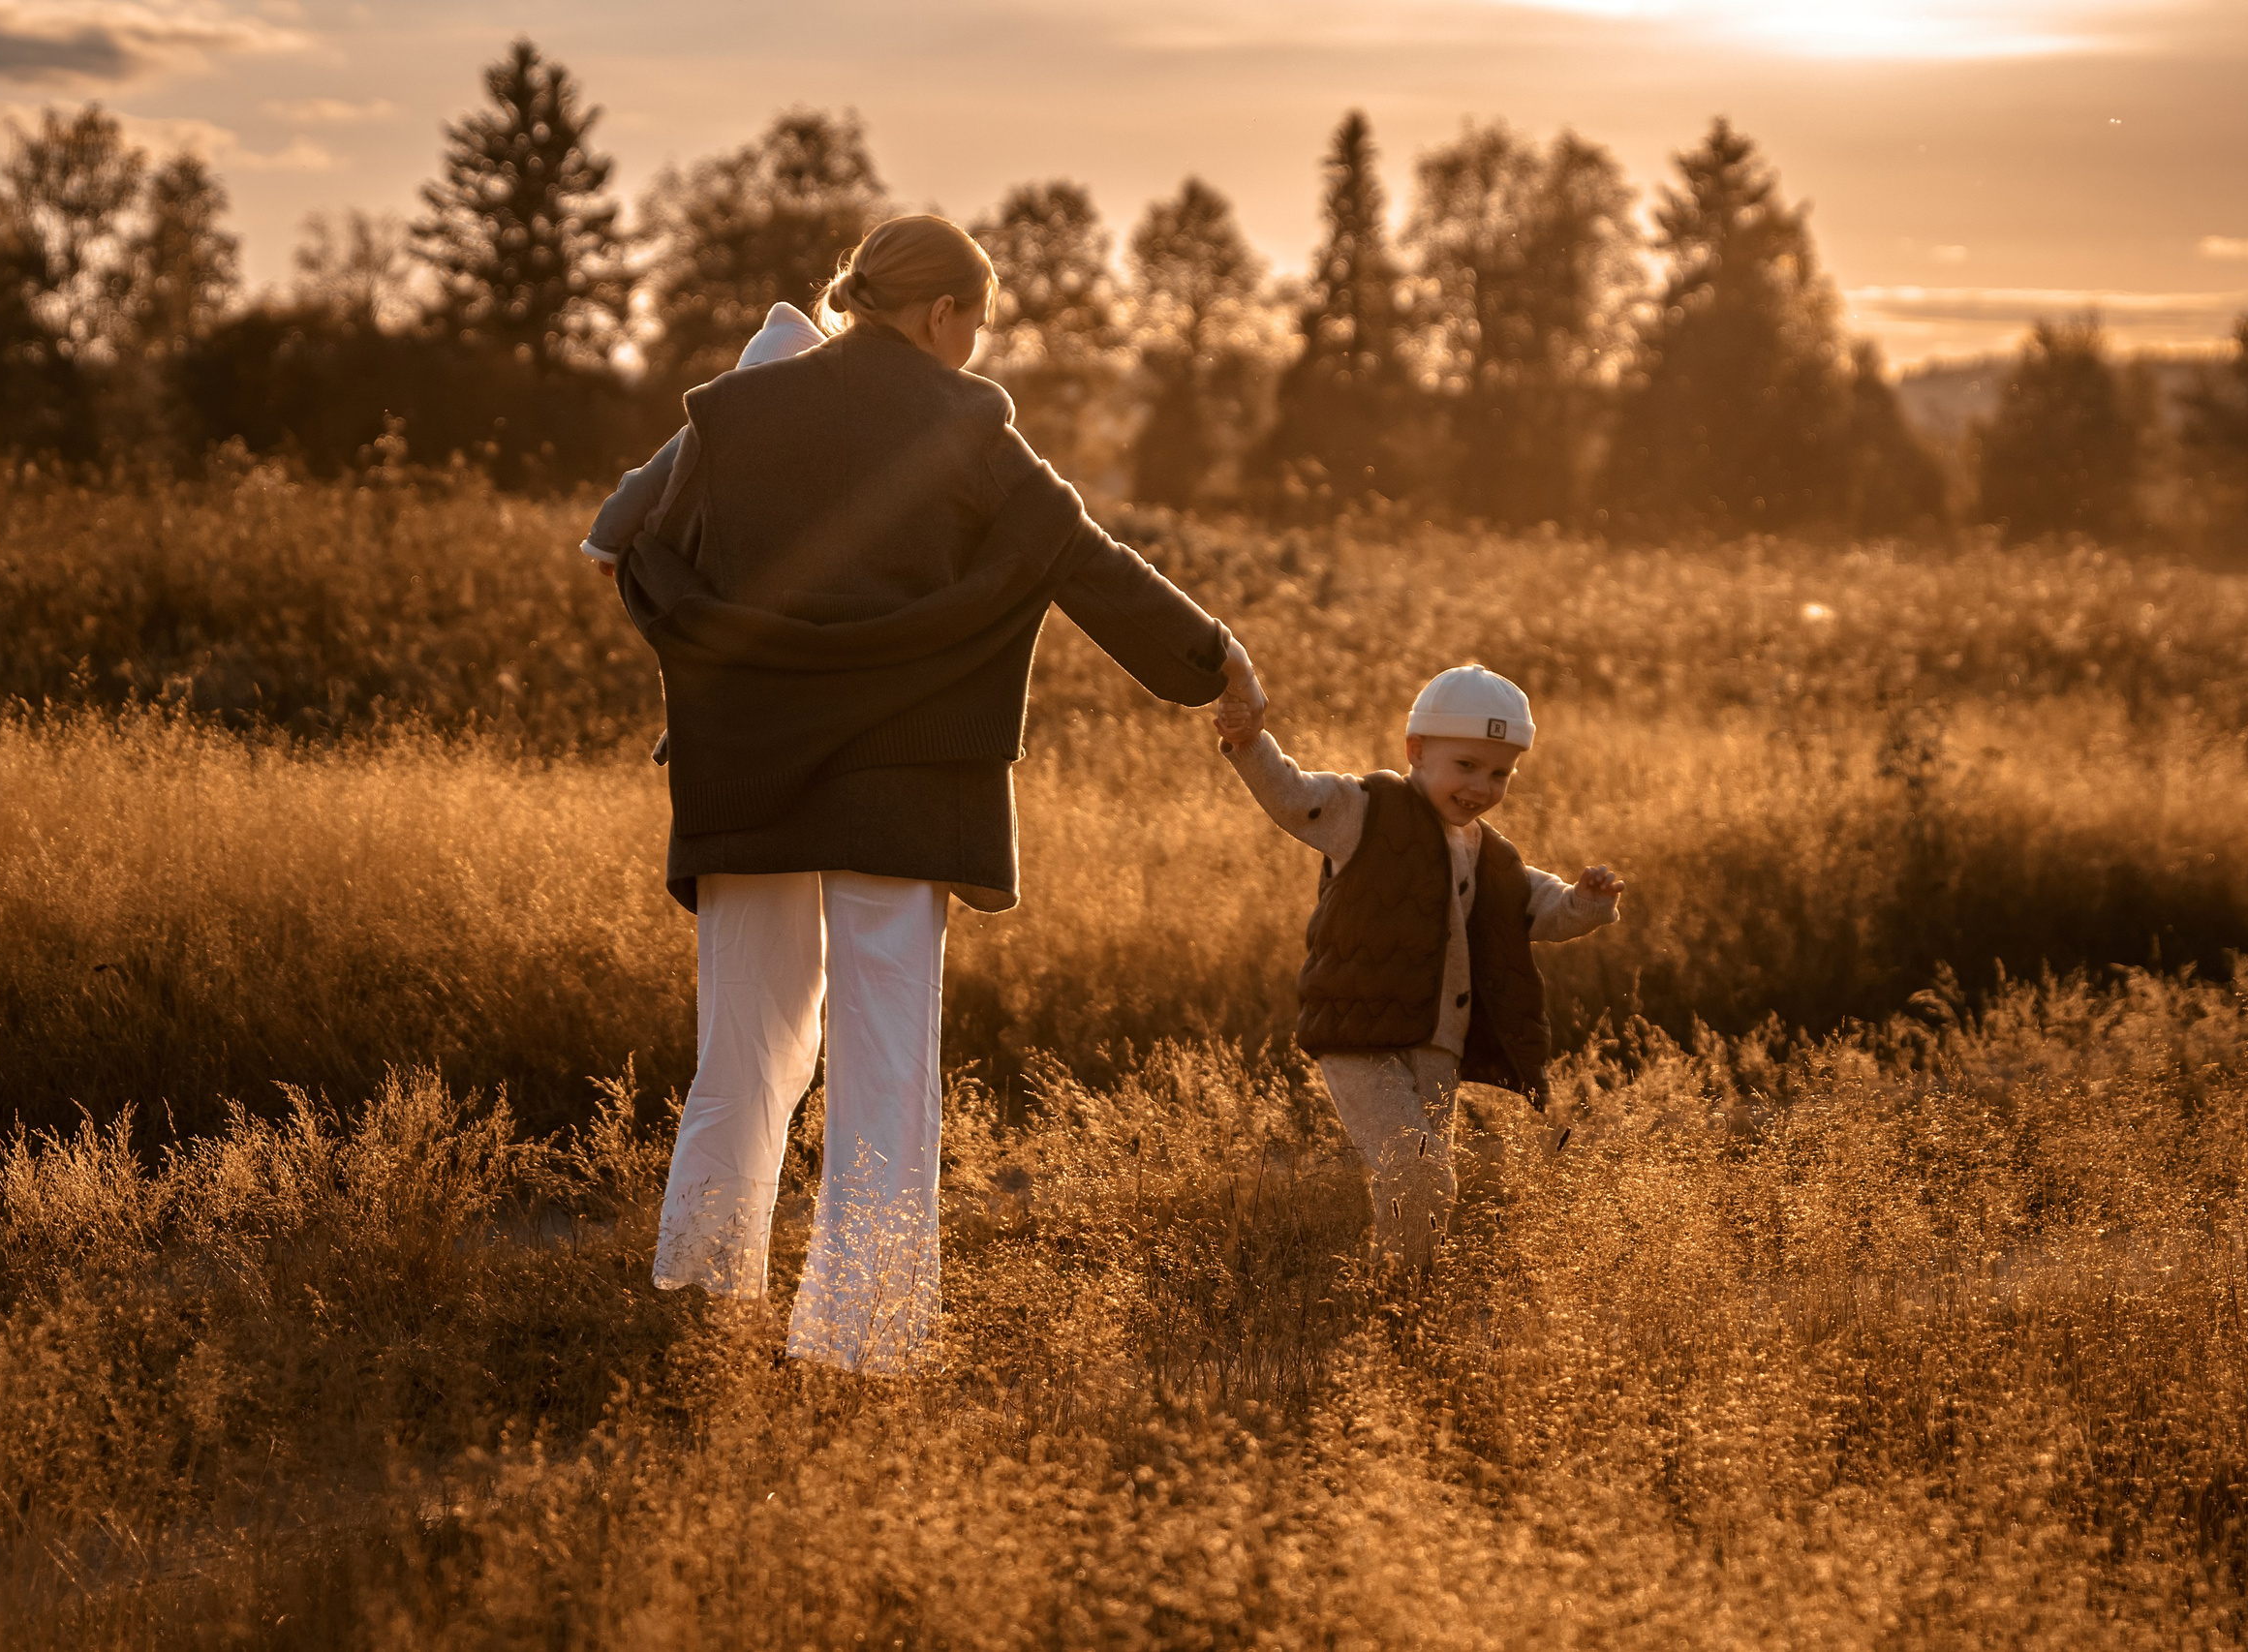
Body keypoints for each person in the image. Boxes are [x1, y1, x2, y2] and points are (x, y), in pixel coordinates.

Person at [599, 214, 1267, 1374]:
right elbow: (1085, 559)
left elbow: (623, 548)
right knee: (885, 1062)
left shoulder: (731, 410)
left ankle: (704, 1291)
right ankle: (860, 1337)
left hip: (748, 766)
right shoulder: (969, 426)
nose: (976, 347)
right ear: (943, 314)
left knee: (744, 1042)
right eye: (979, 323)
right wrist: (1215, 658)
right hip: (905, 782)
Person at [1216, 665, 1622, 1267]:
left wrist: (1586, 902)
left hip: (1437, 1045)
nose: (1481, 786)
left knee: (1429, 1182)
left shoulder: (1487, 853)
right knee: (1418, 1168)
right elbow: (1296, 798)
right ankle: (1402, 1290)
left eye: (1499, 772)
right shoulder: (1367, 810)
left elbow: (1539, 910)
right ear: (1417, 751)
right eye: (1466, 766)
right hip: (1361, 1037)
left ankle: (1402, 1293)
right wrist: (1250, 742)